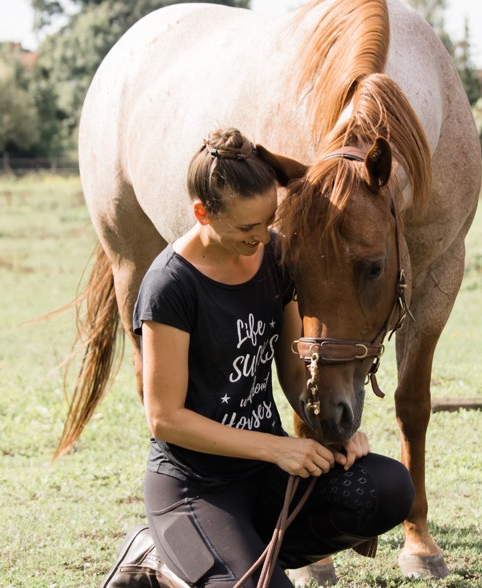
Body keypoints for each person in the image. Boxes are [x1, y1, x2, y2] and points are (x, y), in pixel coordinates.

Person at [119, 128, 414, 587]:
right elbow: (164, 419)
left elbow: (294, 370)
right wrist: (279, 447)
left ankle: (241, 556)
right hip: (195, 489)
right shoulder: (169, 286)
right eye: (246, 228)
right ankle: (156, 557)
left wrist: (334, 432)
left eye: (268, 222)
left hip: (264, 476)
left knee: (389, 488)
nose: (262, 237)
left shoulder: (274, 255)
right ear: (203, 213)